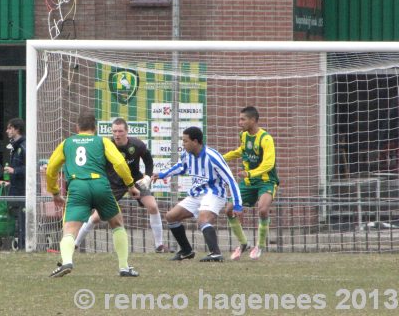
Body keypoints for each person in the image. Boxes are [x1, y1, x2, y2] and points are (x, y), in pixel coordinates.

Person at [47, 112, 140, 277]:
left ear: (77, 128)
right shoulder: (102, 141)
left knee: (70, 229)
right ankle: (124, 267)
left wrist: (54, 192)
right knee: (117, 223)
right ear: (95, 128)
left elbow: (51, 169)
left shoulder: (67, 143)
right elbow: (119, 163)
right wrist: (130, 185)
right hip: (100, 185)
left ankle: (67, 261)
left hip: (77, 187)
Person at [74, 118, 167, 252]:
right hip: (114, 183)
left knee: (153, 206)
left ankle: (159, 246)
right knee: (96, 217)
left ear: (126, 132)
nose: (117, 134)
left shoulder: (137, 145)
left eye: (120, 131)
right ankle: (75, 244)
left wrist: (147, 176)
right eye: (114, 131)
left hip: (135, 180)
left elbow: (148, 160)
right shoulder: (106, 145)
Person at [151, 126, 242, 262]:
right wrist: (162, 174)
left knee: (203, 219)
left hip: (214, 193)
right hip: (197, 193)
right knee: (171, 216)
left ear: (195, 141)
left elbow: (231, 180)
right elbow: (181, 167)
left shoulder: (213, 156)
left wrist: (238, 205)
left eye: (185, 141)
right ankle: (186, 251)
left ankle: (215, 253)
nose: (183, 144)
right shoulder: (187, 155)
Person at [223, 106, 279, 261]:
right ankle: (243, 244)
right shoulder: (243, 135)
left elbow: (269, 163)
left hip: (266, 181)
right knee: (228, 209)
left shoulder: (265, 138)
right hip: (248, 182)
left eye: (243, 119)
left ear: (253, 120)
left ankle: (259, 245)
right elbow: (241, 151)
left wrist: (250, 173)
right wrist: (221, 158)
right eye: (239, 119)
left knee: (262, 209)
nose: (239, 122)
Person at [4, 117, 26, 250]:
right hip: (16, 188)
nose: (7, 131)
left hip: (23, 190)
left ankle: (24, 245)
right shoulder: (14, 147)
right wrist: (9, 183)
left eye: (10, 128)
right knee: (18, 218)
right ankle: (21, 244)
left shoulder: (23, 146)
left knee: (23, 218)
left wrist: (14, 171)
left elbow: (30, 168)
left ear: (17, 129)